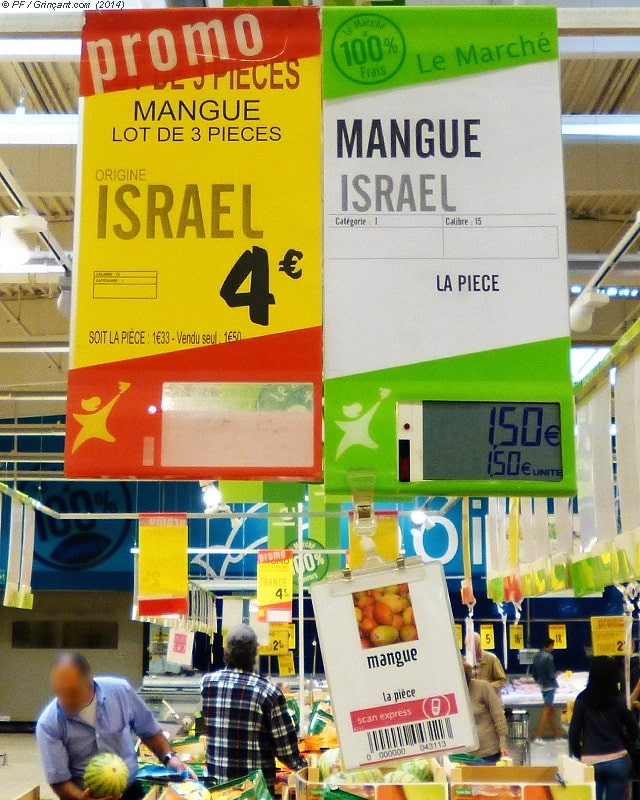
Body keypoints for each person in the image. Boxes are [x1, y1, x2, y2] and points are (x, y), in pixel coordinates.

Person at [36, 652, 194, 800]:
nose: (65, 700)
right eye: (59, 692)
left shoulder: (121, 692)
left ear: (89, 680)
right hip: (83, 795)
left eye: (72, 692)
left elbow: (149, 731)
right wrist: (84, 798)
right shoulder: (48, 724)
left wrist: (170, 758)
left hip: (130, 791)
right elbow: (59, 781)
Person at [201, 625, 306, 792]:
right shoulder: (268, 692)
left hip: (218, 790)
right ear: (255, 653)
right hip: (254, 791)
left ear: (226, 651)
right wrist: (305, 768)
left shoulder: (207, 684)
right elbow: (286, 752)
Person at [569, 656, 639, 800]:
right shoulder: (618, 700)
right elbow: (634, 730)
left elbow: (574, 732)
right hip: (617, 759)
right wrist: (628, 746)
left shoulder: (582, 699)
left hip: (591, 761)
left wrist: (579, 753)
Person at [463, 662, 509, 763]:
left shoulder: (483, 687)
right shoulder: (453, 694)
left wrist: (503, 743)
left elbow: (498, 716)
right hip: (463, 755)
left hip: (489, 753)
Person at [532, 637, 561, 742]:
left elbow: (534, 673)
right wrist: (556, 674)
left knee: (550, 711)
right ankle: (538, 737)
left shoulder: (537, 656)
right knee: (547, 710)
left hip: (542, 685)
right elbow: (551, 674)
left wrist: (538, 681)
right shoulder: (549, 657)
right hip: (550, 685)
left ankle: (557, 736)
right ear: (550, 645)